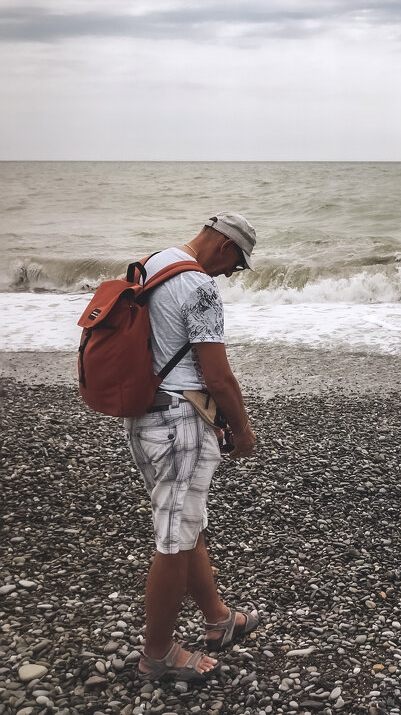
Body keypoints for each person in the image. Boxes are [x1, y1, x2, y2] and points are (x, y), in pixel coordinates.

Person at [125, 212, 260, 682]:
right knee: (175, 541)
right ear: (225, 246)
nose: (230, 274)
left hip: (143, 415)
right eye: (236, 264)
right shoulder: (200, 286)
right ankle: (157, 655)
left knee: (188, 524)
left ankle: (219, 620)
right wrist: (242, 430)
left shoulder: (152, 263)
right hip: (179, 425)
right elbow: (217, 375)